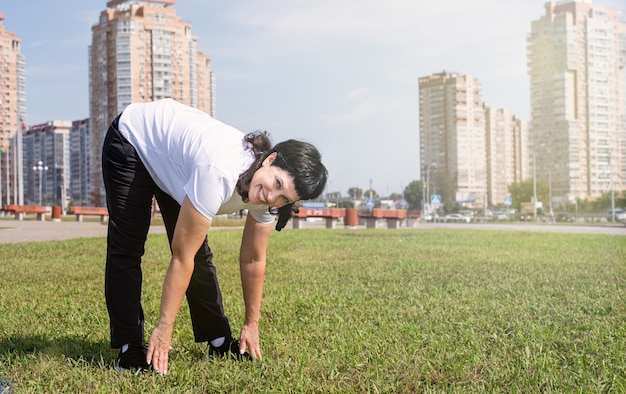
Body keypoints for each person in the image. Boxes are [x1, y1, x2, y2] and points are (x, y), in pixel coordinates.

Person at [101, 98, 328, 375]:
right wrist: (164, 329)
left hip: (176, 164)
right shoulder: (219, 171)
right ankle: (129, 348)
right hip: (135, 139)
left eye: (284, 197)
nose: (271, 196)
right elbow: (180, 257)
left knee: (198, 251)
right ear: (269, 160)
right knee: (129, 247)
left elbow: (254, 259)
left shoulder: (270, 202)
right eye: (276, 183)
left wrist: (251, 323)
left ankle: (219, 340)